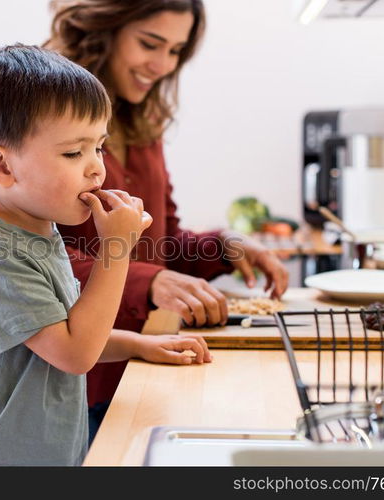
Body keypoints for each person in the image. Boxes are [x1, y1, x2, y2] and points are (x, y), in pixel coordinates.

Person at [0, 44, 212, 466]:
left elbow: (61, 333)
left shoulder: (41, 235)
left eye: (98, 147)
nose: (96, 168)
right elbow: (74, 353)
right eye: (72, 153)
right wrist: (116, 250)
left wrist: (140, 345)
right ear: (2, 166)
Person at [46, 0, 290, 436]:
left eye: (176, 50)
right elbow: (32, 253)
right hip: (71, 388)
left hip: (140, 370)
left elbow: (162, 240)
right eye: (150, 44)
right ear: (106, 29)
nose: (162, 64)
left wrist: (224, 245)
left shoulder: (143, 121)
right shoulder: (48, 115)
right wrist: (148, 280)